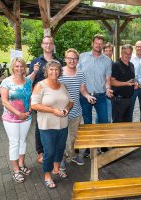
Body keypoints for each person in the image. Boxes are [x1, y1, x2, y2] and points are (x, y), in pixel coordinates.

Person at [31, 60, 73, 189]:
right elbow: (34, 105)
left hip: (62, 124)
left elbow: (70, 102)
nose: (54, 72)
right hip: (47, 125)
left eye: (57, 69)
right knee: (49, 151)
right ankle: (47, 176)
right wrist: (53, 110)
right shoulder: (40, 85)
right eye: (51, 69)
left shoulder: (62, 85)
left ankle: (56, 169)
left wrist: (66, 109)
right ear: (46, 71)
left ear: (60, 72)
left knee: (60, 149)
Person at [28, 36, 62, 164]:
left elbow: (61, 79)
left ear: (53, 45)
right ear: (42, 45)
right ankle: (41, 152)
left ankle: (54, 150)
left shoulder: (58, 62)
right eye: (46, 43)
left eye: (50, 43)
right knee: (40, 126)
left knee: (55, 124)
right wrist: (32, 101)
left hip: (55, 99)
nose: (48, 45)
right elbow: (29, 81)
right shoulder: (36, 62)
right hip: (41, 99)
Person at [58, 48, 95, 168]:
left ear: (78, 60)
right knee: (61, 137)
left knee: (74, 137)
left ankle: (73, 155)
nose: (72, 60)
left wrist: (88, 96)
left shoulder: (80, 73)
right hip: (61, 112)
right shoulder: (59, 73)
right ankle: (61, 158)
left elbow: (83, 90)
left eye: (74, 58)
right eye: (69, 58)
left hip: (76, 111)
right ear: (65, 59)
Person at [78, 34, 113, 156]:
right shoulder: (82, 57)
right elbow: (77, 75)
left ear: (103, 45)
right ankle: (89, 147)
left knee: (104, 121)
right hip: (85, 96)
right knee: (87, 122)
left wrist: (108, 89)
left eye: (101, 43)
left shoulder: (107, 61)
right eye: (96, 43)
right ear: (92, 44)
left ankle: (102, 145)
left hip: (101, 96)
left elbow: (108, 79)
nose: (98, 45)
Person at [0, 57, 33, 183]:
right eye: (17, 66)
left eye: (21, 66)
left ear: (25, 67)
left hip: (26, 117)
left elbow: (30, 98)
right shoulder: (6, 82)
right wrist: (18, 113)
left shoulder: (29, 81)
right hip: (11, 119)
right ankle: (16, 170)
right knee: (14, 143)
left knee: (23, 140)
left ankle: (21, 164)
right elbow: (4, 101)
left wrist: (29, 111)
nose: (19, 68)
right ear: (13, 67)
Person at [111, 44, 138, 122]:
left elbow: (132, 78)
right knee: (118, 124)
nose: (128, 55)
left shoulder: (131, 65)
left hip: (130, 99)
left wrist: (135, 83)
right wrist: (126, 83)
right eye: (126, 53)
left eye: (129, 53)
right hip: (119, 100)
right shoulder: (116, 65)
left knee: (128, 122)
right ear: (121, 53)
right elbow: (112, 82)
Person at [130, 40, 141, 121]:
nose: (139, 48)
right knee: (130, 107)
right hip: (132, 87)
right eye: (137, 46)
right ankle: (128, 125)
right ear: (135, 48)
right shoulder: (130, 58)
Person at [103, 42, 114, 123]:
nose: (108, 53)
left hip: (111, 92)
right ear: (103, 51)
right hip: (101, 92)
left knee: (108, 114)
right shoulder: (100, 62)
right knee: (103, 114)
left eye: (110, 51)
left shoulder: (114, 64)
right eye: (106, 51)